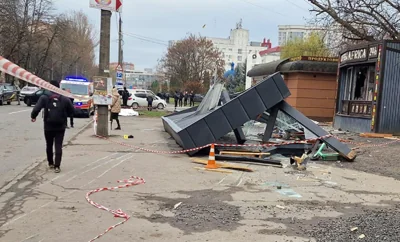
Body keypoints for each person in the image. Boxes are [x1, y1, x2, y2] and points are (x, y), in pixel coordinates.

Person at [31, 80, 74, 173]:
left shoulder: (44, 97)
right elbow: (72, 110)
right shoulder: (64, 98)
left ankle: (50, 163)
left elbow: (36, 108)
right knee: (58, 145)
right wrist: (66, 115)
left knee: (49, 144)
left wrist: (33, 117)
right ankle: (57, 166)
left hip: (48, 125)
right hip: (61, 125)